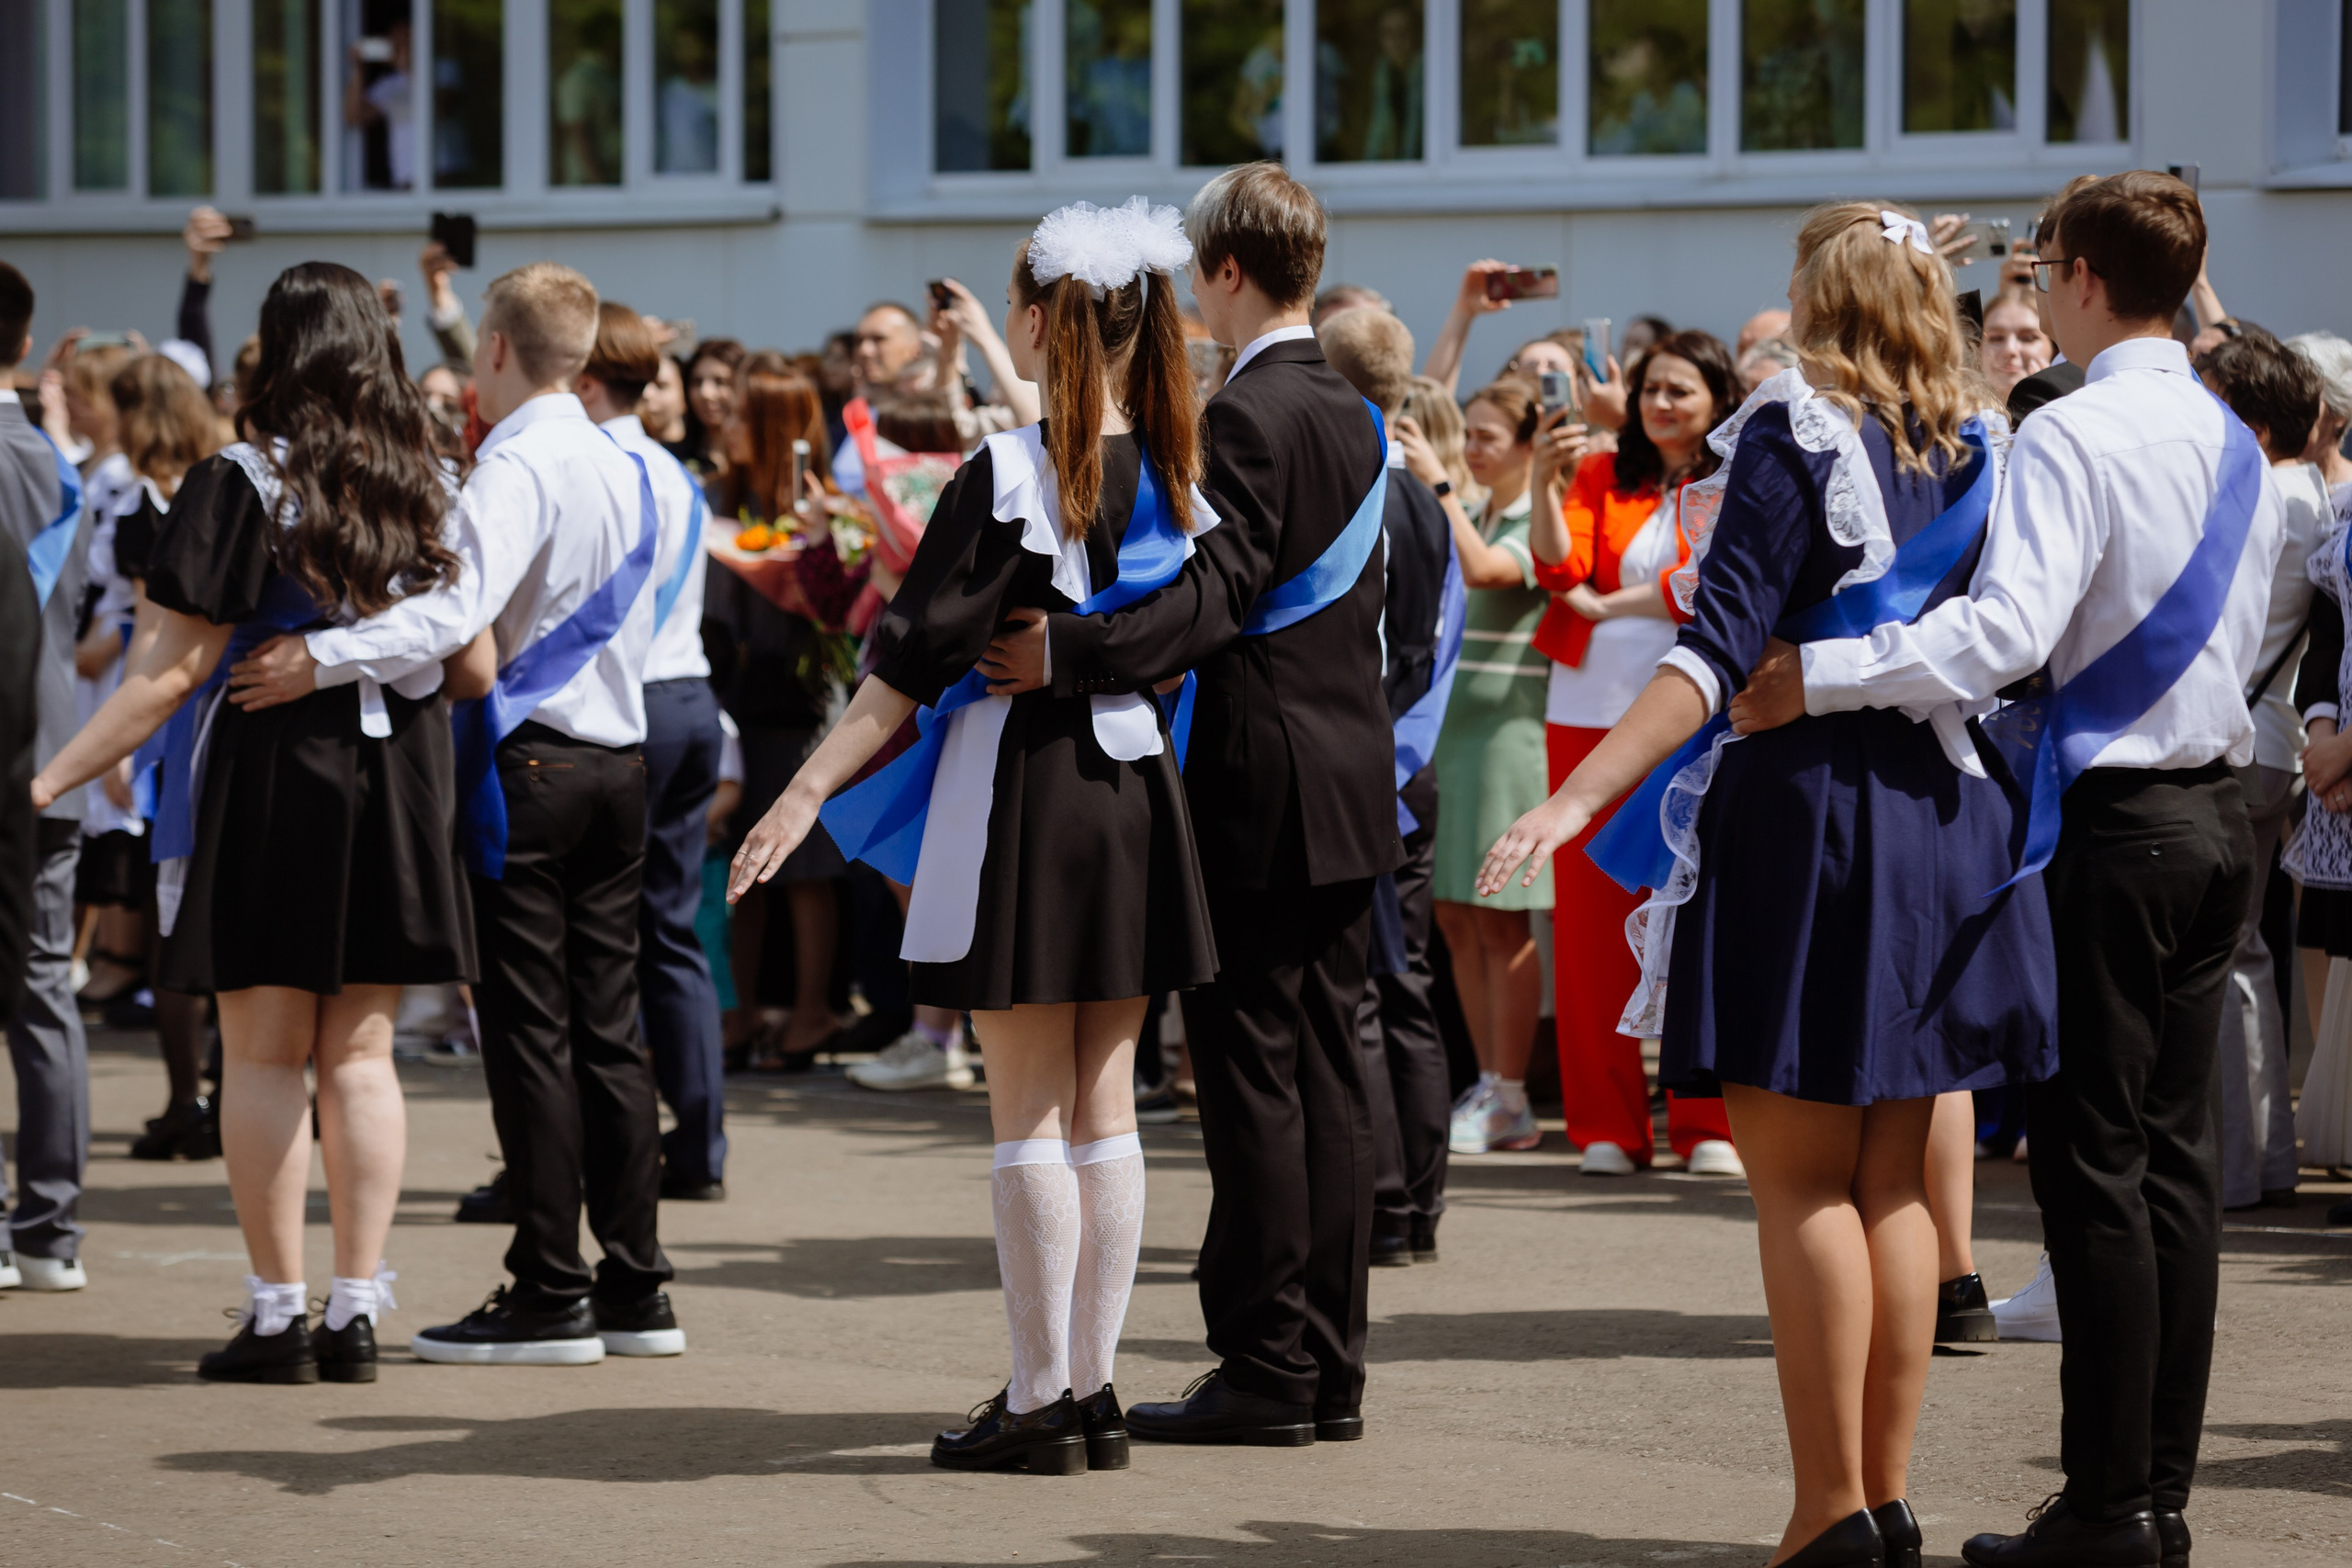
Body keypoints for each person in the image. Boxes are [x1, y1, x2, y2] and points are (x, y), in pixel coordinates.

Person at [1480, 201, 2055, 1568]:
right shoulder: (1986, 444)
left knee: (1800, 1181)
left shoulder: (1798, 430)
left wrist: (1575, 796)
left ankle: (1827, 1509)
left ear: (1822, 299)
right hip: (1948, 812)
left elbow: (1708, 650)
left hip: (1817, 816)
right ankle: (1889, 1496)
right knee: (1899, 1180)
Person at [1729, 175, 2278, 1568]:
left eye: (2045, 267)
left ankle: (2105, 1507)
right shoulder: (2231, 435)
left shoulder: (2073, 433)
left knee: (2096, 1169)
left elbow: (2003, 634)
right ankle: (2155, 1493)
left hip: (2114, 818)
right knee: (2174, 1172)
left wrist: (1825, 675)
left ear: (2085, 276)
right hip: (2226, 812)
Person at [731, 196, 1216, 1473]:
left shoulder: (1008, 472)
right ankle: (1094, 1389)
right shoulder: (1178, 469)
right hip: (1138, 791)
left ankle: (1039, 1395)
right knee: (1105, 1100)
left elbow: (901, 664)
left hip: (1030, 791)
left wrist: (800, 794)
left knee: (1026, 1109)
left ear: (1043, 316)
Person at [984, 164, 1398, 1450]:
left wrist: (1073, 654)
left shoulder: (1255, 412)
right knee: (1333, 1078)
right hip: (1346, 774)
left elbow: (1215, 595)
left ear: (1223, 270)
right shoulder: (1352, 405)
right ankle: (1327, 1360)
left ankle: (1271, 1359)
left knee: (1259, 1081)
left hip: (1260, 783)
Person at [32, 263, 476, 1377]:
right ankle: (357, 1309)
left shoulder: (239, 475)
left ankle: (278, 1315)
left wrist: (47, 779)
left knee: (268, 1056)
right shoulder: (432, 474)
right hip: (399, 777)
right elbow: (471, 657)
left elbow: (165, 671)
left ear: (276, 350)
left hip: (274, 766)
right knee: (363, 1054)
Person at [241, 262, 684, 1368]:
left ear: (493, 350)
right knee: (610, 1032)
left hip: (527, 763)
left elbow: (453, 616)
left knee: (531, 1033)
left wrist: (322, 658)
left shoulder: (516, 461)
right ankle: (636, 1285)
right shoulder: (630, 462)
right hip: (619, 759)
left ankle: (548, 1287)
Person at [1525, 329, 1741, 1179]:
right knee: (1586, 934)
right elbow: (1556, 568)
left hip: (1692, 717)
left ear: (1716, 400)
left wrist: (1608, 605)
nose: (1661, 404)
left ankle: (1705, 1120)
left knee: (1690, 916)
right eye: (1651, 389)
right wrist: (1545, 482)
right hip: (1583, 714)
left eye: (1680, 390)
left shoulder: (1735, 478)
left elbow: (1703, 576)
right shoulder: (1595, 474)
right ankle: (1606, 1123)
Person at [573, 302, 728, 1202]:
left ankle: (608, 1148)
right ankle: (699, 1143)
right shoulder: (672, 471)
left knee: (597, 942)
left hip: (625, 708)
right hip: (690, 702)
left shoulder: (598, 467)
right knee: (670, 936)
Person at [1321, 306, 1456, 1266]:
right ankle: (1416, 1204)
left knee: (1362, 996)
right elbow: (1440, 641)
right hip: (1413, 763)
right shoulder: (1425, 495)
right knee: (1406, 988)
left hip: (1360, 763)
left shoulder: (1355, 487)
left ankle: (1374, 1202)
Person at [2199, 329, 2324, 1213]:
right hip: (2275, 740)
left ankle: (2235, 1167)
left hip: (2239, 740)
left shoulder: (2257, 494)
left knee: (2224, 958)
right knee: (2245, 954)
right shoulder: (2310, 488)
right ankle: (2265, 1159)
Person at [703, 355, 853, 1069]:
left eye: (736, 413)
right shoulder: (721, 493)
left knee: (805, 865)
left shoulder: (818, 503)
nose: (722, 423)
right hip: (742, 696)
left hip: (805, 698)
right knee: (745, 863)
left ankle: (814, 1012)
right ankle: (745, 1010)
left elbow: (833, 608)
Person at [0, 262, 97, 1295]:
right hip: (58, 751)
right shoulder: (58, 460)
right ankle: (49, 1230)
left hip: (9, 747)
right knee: (40, 986)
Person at [100, 354, 223, 1161]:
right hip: (234, 717)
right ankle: (215, 1092)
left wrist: (123, 738)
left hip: (175, 729)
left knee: (174, 929)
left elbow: (155, 642)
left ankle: (188, 1099)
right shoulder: (227, 487)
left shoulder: (148, 509)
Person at [1430, 377, 1555, 1156]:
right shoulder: (1475, 507)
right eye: (1466, 434)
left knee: (1502, 917)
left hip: (1509, 737)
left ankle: (1512, 1090)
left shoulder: (1530, 517)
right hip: (1453, 732)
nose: (1472, 449)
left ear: (1528, 447)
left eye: (1487, 437)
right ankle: (1488, 1082)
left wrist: (1437, 483)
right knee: (1456, 915)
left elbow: (1489, 572)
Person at [678, 336, 746, 474]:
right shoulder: (674, 458)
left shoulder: (753, 458)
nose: (705, 393)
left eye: (720, 382)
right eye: (697, 382)